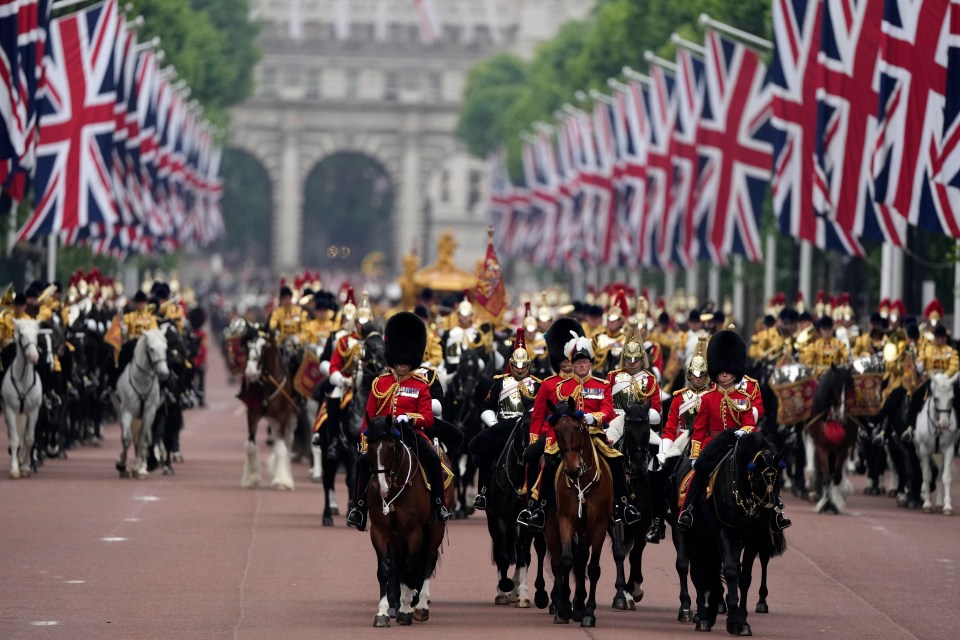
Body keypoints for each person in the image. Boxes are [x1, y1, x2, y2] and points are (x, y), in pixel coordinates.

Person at [518, 328, 640, 529]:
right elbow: (551, 415)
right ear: (572, 365)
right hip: (567, 437)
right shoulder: (561, 388)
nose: (581, 365)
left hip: (594, 434)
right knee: (549, 465)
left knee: (616, 460)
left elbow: (608, 409)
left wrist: (595, 418)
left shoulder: (602, 386)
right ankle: (539, 508)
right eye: (577, 363)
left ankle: (624, 505)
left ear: (591, 364)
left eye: (584, 362)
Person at [677, 330, 792, 532]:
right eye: (721, 371)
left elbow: (750, 422)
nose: (724, 374)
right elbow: (699, 429)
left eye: (728, 371)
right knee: (699, 472)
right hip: (712, 445)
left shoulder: (743, 398)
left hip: (738, 445)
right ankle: (688, 510)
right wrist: (696, 453)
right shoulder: (707, 398)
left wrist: (744, 431)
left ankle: (775, 511)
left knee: (766, 468)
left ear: (735, 371)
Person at [346, 312, 451, 531]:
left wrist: (411, 418)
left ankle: (440, 504)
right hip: (382, 436)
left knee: (432, 458)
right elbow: (369, 416)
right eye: (399, 362)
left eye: (406, 362)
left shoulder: (421, 385)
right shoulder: (379, 383)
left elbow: (428, 417)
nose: (402, 365)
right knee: (362, 462)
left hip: (410, 434)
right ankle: (359, 508)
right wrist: (366, 441)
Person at [645, 335, 712, 543]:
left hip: (708, 439)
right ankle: (657, 521)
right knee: (656, 471)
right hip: (683, 440)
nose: (698, 379)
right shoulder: (679, 397)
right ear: (689, 375)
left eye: (702, 376)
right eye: (695, 375)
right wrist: (664, 451)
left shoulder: (714, 396)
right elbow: (670, 426)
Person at [516, 317, 580, 529]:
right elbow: (538, 417)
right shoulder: (548, 384)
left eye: (569, 360)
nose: (567, 364)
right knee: (532, 458)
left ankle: (618, 506)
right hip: (551, 435)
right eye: (563, 361)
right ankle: (535, 506)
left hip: (578, 434)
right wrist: (536, 440)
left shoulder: (585, 383)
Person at [471, 328, 541, 511]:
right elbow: (486, 407)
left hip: (527, 427)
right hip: (503, 426)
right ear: (511, 363)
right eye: (516, 366)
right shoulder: (499, 383)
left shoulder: (538, 385)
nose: (519, 370)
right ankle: (483, 492)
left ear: (528, 365)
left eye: (523, 366)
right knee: (487, 452)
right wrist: (493, 425)